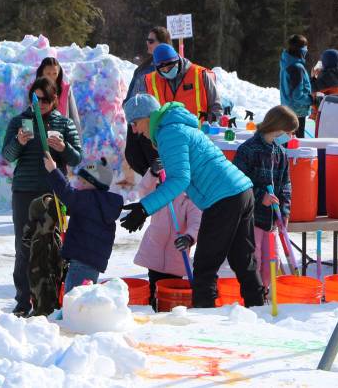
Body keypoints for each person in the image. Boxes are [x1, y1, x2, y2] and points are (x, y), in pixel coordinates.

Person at [121, 94, 263, 308]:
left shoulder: (169, 132)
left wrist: (144, 208)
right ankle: (258, 307)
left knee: (205, 266)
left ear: (148, 117)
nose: (134, 130)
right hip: (240, 191)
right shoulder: (177, 127)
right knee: (242, 258)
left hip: (223, 197)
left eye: (134, 122)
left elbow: (179, 179)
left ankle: (204, 317)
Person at [1, 77, 82, 316]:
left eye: (46, 99)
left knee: (55, 244)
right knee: (24, 245)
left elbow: (77, 158)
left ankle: (52, 297)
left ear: (55, 99)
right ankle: (23, 300)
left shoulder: (64, 123)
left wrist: (63, 148)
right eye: (36, 100)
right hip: (25, 190)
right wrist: (18, 142)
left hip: (54, 190)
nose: (41, 104)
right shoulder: (19, 122)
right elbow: (7, 155)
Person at [233, 106, 296, 290]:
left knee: (271, 262)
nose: (290, 137)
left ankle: (266, 293)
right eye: (289, 132)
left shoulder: (280, 152)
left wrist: (285, 210)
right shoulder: (248, 150)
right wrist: (261, 196)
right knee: (254, 260)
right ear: (277, 127)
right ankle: (253, 295)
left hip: (271, 221)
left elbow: (286, 185)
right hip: (251, 219)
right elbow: (238, 183)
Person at [43, 153, 124, 294]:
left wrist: (53, 171)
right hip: (92, 261)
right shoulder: (101, 202)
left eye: (82, 182)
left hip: (81, 262)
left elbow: (67, 194)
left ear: (93, 184)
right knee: (85, 297)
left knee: (75, 298)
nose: (78, 185)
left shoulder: (88, 199)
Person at [133, 163, 201, 309]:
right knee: (153, 291)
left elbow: (197, 222)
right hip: (154, 252)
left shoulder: (189, 199)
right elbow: (143, 192)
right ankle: (152, 311)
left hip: (176, 256)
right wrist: (152, 173)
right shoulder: (160, 193)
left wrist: (189, 237)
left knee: (171, 296)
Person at [124, 27, 172, 177]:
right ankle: (151, 181)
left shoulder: (166, 66)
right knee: (133, 156)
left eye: (151, 41)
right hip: (135, 117)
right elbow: (133, 87)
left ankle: (158, 183)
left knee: (153, 159)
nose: (147, 43)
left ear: (163, 43)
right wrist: (126, 103)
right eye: (147, 40)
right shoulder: (144, 66)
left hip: (151, 118)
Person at [144, 43, 221, 124]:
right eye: (162, 69)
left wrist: (212, 126)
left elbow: (216, 108)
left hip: (199, 130)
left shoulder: (201, 75)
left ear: (177, 60)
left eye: (170, 67)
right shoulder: (151, 81)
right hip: (167, 131)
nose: (167, 71)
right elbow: (147, 114)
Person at [279, 35, 313, 136]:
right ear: (301, 50)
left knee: (286, 138)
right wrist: (312, 100)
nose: (307, 50)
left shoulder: (287, 63)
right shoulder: (297, 68)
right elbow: (297, 95)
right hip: (297, 111)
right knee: (297, 140)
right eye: (306, 48)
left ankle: (279, 146)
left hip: (288, 107)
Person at [35, 57, 81, 131]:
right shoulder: (35, 90)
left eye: (55, 73)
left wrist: (77, 136)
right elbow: (28, 115)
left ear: (59, 73)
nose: (51, 77)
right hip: (39, 133)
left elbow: (74, 116)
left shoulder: (66, 90)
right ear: (42, 73)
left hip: (62, 134)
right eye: (48, 73)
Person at [310, 49, 338, 124]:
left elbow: (313, 89)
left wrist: (313, 77)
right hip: (336, 111)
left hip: (325, 115)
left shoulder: (327, 77)